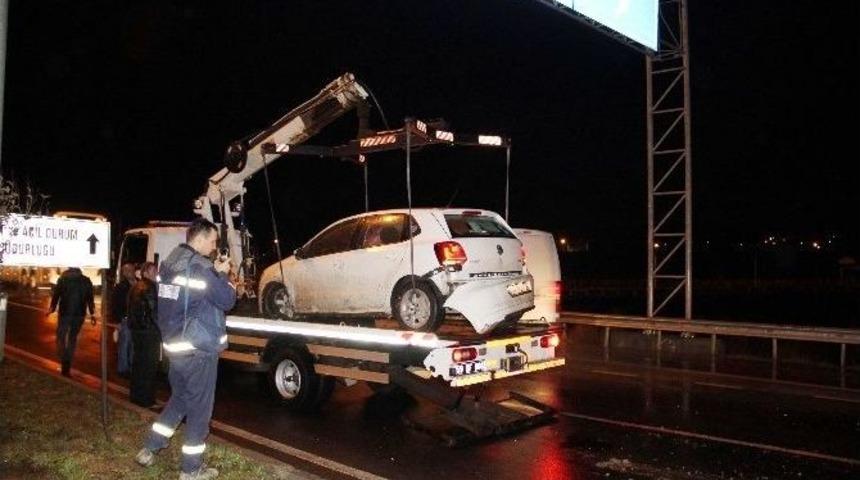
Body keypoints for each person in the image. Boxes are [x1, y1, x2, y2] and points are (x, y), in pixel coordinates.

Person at [136, 219, 235, 480]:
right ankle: (191, 469)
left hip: (174, 347)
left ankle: (149, 448)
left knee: (179, 400)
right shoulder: (202, 268)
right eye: (212, 241)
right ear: (200, 239)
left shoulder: (170, 263)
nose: (214, 247)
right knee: (200, 410)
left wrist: (211, 272)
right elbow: (227, 300)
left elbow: (185, 298)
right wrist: (222, 273)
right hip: (198, 350)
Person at [47, 267, 96, 377]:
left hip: (65, 313)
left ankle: (63, 357)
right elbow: (90, 298)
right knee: (72, 338)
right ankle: (67, 361)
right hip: (79, 314)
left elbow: (56, 295)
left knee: (60, 336)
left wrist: (52, 308)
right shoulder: (86, 280)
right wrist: (92, 314)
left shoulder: (63, 279)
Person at [128, 262, 161, 408]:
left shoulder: (135, 286)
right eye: (153, 271)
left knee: (138, 364)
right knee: (149, 367)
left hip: (137, 331)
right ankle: (147, 400)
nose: (156, 273)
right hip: (149, 332)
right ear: (145, 273)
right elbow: (154, 313)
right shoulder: (151, 288)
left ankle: (136, 396)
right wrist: (162, 330)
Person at [113, 262, 137, 376]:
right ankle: (122, 369)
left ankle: (132, 367)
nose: (130, 272)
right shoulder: (120, 287)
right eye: (127, 270)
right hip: (125, 319)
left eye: (131, 269)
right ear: (123, 273)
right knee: (124, 344)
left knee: (133, 344)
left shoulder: (139, 283)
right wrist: (118, 321)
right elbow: (115, 305)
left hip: (136, 319)